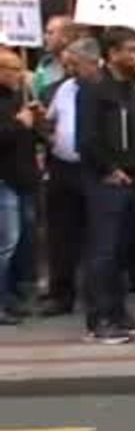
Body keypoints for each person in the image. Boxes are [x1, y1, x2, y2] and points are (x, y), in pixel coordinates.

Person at [77, 27, 135, 344]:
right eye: (131, 50)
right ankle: (99, 318)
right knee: (104, 251)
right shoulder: (96, 90)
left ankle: (118, 310)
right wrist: (108, 168)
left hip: (132, 178)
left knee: (122, 251)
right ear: (112, 54)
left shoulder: (132, 90)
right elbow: (87, 137)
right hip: (105, 180)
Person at [39, 38, 101, 317]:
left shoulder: (103, 89)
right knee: (61, 236)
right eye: (68, 64)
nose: (70, 69)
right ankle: (61, 294)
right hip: (63, 169)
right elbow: (51, 122)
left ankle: (96, 295)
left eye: (75, 64)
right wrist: (43, 126)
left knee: (95, 236)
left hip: (92, 168)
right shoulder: (64, 88)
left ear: (91, 62)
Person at [0, 49, 39, 325]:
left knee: (21, 240)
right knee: (6, 244)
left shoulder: (16, 97)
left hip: (22, 177)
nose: (18, 75)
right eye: (12, 69)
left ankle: (11, 295)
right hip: (4, 180)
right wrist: (19, 123)